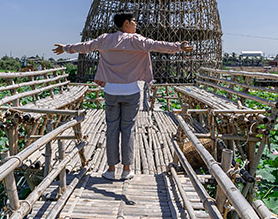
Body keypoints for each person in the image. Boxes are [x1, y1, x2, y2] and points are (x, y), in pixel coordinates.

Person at [53, 12, 193, 181]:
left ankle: (111, 169)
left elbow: (86, 46)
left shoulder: (105, 39)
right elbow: (158, 45)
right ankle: (127, 169)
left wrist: (66, 48)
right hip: (131, 91)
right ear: (126, 23)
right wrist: (179, 46)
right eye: (134, 21)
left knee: (112, 129)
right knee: (128, 129)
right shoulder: (137, 40)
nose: (136, 25)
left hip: (111, 91)